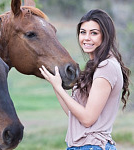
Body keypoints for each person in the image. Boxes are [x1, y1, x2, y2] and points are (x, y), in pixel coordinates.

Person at [39, 9, 131, 150]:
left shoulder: (106, 66)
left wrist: (58, 87)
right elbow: (73, 114)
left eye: (94, 33)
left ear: (105, 36)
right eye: (83, 32)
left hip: (92, 146)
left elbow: (87, 119)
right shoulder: (96, 66)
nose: (86, 38)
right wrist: (55, 85)